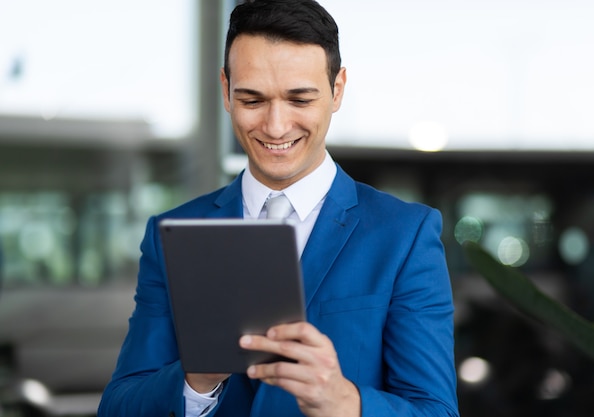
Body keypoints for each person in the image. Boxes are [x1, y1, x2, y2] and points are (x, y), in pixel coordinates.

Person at [98, 1, 459, 416]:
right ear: (225, 90)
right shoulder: (171, 233)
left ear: (337, 89)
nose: (275, 126)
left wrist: (346, 403)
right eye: (252, 100)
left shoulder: (405, 235)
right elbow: (118, 407)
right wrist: (196, 380)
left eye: (299, 99)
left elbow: (437, 411)